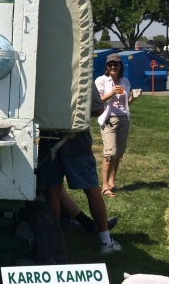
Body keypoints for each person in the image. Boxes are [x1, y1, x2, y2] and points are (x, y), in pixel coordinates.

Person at [37, 85, 121, 254]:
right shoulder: (83, 74)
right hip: (76, 140)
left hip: (49, 139)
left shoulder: (45, 72)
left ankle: (54, 243)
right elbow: (97, 109)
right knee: (91, 189)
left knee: (53, 190)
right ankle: (106, 242)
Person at [94, 53, 139, 196]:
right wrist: (112, 93)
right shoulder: (101, 80)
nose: (113, 67)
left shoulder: (124, 81)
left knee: (118, 153)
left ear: (120, 66)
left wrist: (133, 98)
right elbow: (98, 101)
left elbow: (126, 104)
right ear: (106, 67)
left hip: (123, 119)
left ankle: (112, 182)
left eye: (116, 64)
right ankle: (105, 186)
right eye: (110, 64)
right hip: (109, 119)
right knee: (110, 153)